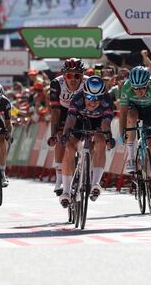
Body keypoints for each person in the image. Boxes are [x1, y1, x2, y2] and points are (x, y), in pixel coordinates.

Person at [119, 66, 151, 202]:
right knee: (131, 115)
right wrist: (122, 132)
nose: (139, 91)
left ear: (148, 83)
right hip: (134, 108)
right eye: (135, 88)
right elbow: (123, 113)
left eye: (142, 88)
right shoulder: (126, 88)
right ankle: (131, 157)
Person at [59, 76, 115, 207]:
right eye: (89, 98)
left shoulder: (107, 101)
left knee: (100, 141)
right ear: (84, 95)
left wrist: (108, 138)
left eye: (97, 99)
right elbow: (70, 120)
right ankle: (66, 191)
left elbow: (106, 124)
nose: (93, 102)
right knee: (69, 147)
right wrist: (66, 133)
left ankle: (95, 183)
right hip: (79, 120)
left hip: (98, 122)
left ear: (102, 97)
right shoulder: (77, 99)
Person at [48, 58, 85, 196]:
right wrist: (53, 133)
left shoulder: (88, 83)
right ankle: (59, 180)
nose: (73, 78)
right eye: (69, 75)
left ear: (82, 75)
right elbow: (55, 111)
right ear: (64, 75)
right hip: (63, 111)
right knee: (60, 138)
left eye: (77, 75)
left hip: (82, 111)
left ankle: (85, 167)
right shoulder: (56, 83)